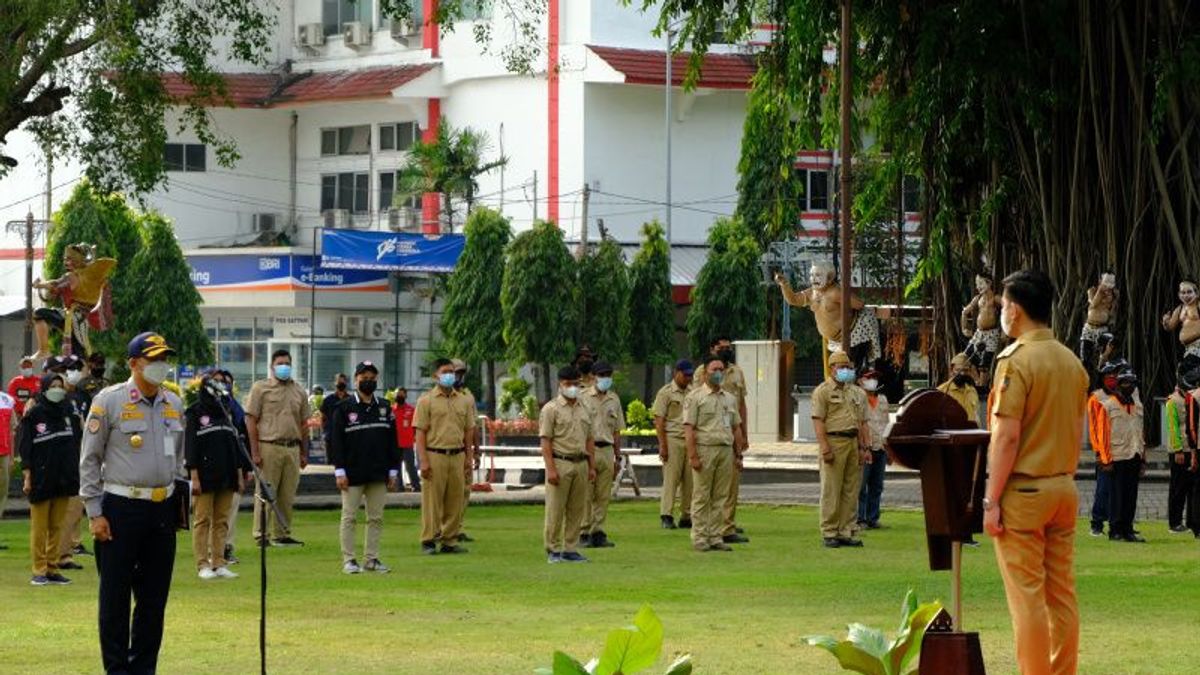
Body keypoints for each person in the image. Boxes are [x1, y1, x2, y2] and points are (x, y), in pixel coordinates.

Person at [984, 269, 1088, 675]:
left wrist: (991, 499)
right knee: (1061, 596)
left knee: (1026, 599)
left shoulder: (1016, 361)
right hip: (1064, 487)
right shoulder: (1071, 361)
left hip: (1024, 493)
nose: (1002, 314)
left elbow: (1006, 437)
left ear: (1015, 309)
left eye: (1004, 306)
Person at [81, 332, 186, 674]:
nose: (161, 366)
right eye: (153, 359)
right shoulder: (109, 401)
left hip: (162, 510)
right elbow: (89, 461)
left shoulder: (174, 403)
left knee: (153, 601)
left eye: (164, 359)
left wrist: (178, 503)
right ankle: (116, 670)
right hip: (120, 510)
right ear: (134, 363)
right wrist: (95, 512)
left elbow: (179, 459)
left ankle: (143, 669)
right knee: (115, 600)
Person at [330, 361, 400, 574]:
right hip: (352, 473)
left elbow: (392, 441)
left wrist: (393, 470)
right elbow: (336, 442)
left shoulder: (385, 407)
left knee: (376, 518)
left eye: (372, 377)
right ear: (356, 379)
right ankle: (349, 560)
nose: (368, 381)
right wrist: (339, 471)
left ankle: (371, 559)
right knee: (349, 516)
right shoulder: (343, 408)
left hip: (378, 472)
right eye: (364, 377)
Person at [185, 371, 250, 579]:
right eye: (217, 382)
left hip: (227, 474)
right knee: (202, 520)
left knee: (222, 520)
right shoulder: (195, 412)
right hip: (204, 476)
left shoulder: (227, 410)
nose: (222, 386)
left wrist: (239, 474)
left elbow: (234, 445)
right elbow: (191, 447)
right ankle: (202, 564)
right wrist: (193, 476)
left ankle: (219, 562)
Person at [20, 372, 82, 585]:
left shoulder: (68, 412)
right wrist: (27, 476)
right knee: (40, 528)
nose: (58, 389)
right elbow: (25, 448)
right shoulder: (34, 414)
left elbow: (77, 442)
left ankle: (52, 568)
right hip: (41, 477)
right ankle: (39, 569)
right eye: (53, 385)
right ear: (44, 388)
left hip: (63, 477)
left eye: (60, 385)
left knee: (57, 526)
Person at [245, 349, 310, 547]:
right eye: (280, 363)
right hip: (269, 446)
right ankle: (261, 534)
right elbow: (250, 420)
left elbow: (304, 424)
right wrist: (254, 452)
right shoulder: (260, 388)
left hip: (292, 447)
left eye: (287, 363)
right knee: (266, 492)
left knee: (287, 494)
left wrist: (304, 452)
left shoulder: (299, 390)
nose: (284, 367)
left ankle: (282, 533)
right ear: (272, 366)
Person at [414, 358, 475, 555]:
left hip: (457, 454)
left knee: (455, 500)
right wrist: (423, 460)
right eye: (446, 371)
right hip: (435, 454)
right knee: (432, 500)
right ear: (436, 375)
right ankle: (429, 539)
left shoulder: (464, 400)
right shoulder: (426, 401)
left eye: (453, 372)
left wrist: (469, 457)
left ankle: (449, 540)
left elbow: (468, 431)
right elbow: (420, 433)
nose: (451, 375)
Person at [684, 355, 744, 552]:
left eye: (721, 370)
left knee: (720, 496)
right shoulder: (695, 397)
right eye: (714, 370)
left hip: (725, 450)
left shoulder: (730, 398)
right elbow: (689, 429)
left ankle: (716, 536)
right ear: (704, 373)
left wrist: (739, 454)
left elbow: (736, 427)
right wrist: (693, 455)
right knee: (702, 495)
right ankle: (700, 538)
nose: (718, 373)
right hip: (705, 449)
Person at [694, 336, 750, 543]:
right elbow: (694, 407)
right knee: (704, 491)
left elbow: (741, 405)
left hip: (729, 434)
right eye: (722, 347)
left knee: (729, 487)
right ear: (712, 349)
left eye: (729, 347)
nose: (726, 350)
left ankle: (726, 528)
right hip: (707, 436)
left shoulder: (737, 372)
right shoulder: (702, 372)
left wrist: (744, 434)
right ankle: (704, 532)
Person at [811, 350, 870, 548]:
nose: (845, 370)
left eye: (848, 367)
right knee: (831, 489)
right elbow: (818, 421)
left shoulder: (857, 392)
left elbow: (863, 423)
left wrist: (865, 447)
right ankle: (829, 531)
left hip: (853, 442)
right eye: (841, 366)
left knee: (851, 490)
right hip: (834, 441)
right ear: (832, 368)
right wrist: (824, 447)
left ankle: (846, 530)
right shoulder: (823, 391)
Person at [540, 366, 596, 563]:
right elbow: (545, 441)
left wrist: (591, 466)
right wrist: (551, 469)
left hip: (580, 461)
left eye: (575, 384)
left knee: (576, 509)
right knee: (555, 509)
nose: (572, 388)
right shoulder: (551, 409)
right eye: (568, 384)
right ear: (560, 384)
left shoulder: (585, 408)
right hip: (560, 461)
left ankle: (570, 548)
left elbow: (590, 439)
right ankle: (553, 549)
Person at [1091, 368, 1146, 543]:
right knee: (1116, 495)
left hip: (1134, 454)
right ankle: (1115, 530)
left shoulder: (1138, 406)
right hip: (1117, 455)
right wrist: (1105, 459)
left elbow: (1140, 432)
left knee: (1131, 495)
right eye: (1125, 383)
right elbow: (1102, 434)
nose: (1129, 386)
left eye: (1132, 383)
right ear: (1119, 385)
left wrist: (1143, 458)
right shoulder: (1107, 406)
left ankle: (1128, 529)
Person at [581, 361, 624, 548]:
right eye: (602, 375)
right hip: (588, 450)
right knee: (586, 494)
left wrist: (617, 456)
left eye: (608, 375)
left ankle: (598, 532)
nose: (606, 378)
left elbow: (617, 430)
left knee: (603, 495)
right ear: (593, 377)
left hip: (607, 449)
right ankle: (583, 532)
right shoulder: (583, 397)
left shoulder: (614, 399)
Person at [653, 360, 695, 530]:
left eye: (690, 375)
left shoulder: (693, 392)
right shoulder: (666, 393)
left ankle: (686, 515)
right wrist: (662, 445)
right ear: (676, 373)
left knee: (690, 480)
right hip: (673, 439)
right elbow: (659, 421)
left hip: (690, 439)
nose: (688, 378)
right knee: (671, 479)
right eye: (685, 375)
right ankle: (666, 514)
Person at [215, 369, 250, 565]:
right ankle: (211, 552)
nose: (222, 385)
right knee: (210, 515)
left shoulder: (236, 411)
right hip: (211, 470)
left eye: (226, 382)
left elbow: (243, 443)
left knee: (231, 512)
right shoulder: (203, 410)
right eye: (218, 381)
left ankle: (227, 548)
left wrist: (245, 471)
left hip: (234, 469)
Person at [1085, 360, 1124, 537]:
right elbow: (1094, 428)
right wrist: (1100, 451)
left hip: (1122, 448)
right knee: (1104, 489)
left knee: (1120, 490)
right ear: (1102, 379)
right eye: (1109, 377)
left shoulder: (1123, 396)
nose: (1113, 380)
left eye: (1115, 377)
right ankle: (1097, 523)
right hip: (1104, 449)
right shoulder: (1096, 398)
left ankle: (1118, 523)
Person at [1164, 367, 1197, 535]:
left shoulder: (1194, 399)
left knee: (1193, 488)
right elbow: (1172, 428)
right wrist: (1177, 450)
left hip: (1193, 449)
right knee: (1178, 487)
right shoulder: (1173, 401)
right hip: (1180, 450)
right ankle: (1174, 522)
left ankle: (1192, 520)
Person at [856, 369, 890, 530]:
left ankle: (872, 518)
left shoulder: (882, 400)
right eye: (869, 378)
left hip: (881, 447)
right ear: (860, 381)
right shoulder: (856, 399)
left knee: (877, 485)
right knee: (861, 485)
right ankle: (860, 518)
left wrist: (889, 448)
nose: (873, 381)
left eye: (875, 378)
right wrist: (862, 447)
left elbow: (886, 423)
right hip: (864, 447)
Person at [452, 359, 480, 542]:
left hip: (464, 450)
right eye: (455, 372)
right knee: (449, 492)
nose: (458, 376)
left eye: (461, 372)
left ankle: (457, 527)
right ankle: (444, 529)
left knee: (464, 491)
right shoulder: (439, 396)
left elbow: (473, 426)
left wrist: (476, 451)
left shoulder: (468, 396)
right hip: (448, 449)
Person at [392, 387, 421, 492]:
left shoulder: (411, 410)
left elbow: (416, 427)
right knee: (397, 467)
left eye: (401, 394)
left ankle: (416, 486)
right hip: (395, 444)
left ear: (405, 395)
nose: (398, 396)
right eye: (397, 394)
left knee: (410, 467)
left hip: (407, 443)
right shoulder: (391, 410)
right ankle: (399, 488)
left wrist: (413, 437)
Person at [937, 353, 979, 423]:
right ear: (951, 370)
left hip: (971, 431)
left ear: (970, 371)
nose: (962, 373)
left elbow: (976, 416)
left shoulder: (972, 391)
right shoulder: (942, 391)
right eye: (958, 370)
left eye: (966, 370)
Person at [319, 373, 351, 443]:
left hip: (347, 437)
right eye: (339, 382)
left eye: (343, 382)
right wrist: (323, 434)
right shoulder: (327, 400)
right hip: (330, 436)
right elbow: (322, 418)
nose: (341, 384)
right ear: (334, 383)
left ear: (346, 383)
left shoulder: (351, 400)